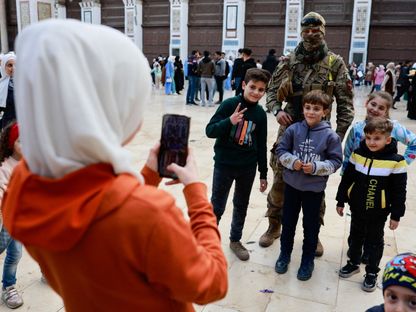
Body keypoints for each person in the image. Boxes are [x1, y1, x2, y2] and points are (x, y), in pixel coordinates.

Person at [2, 20, 228, 311]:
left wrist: (147, 174)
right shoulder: (147, 214)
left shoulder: (21, 185)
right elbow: (212, 284)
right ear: (108, 108)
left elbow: (103, 229)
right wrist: (196, 192)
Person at [261, 11, 354, 254]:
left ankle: (313, 233)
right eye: (307, 31)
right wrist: (276, 110)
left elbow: (345, 103)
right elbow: (271, 91)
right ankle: (274, 226)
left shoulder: (335, 63)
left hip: (321, 135)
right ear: (301, 32)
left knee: (315, 184)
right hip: (289, 133)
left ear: (323, 32)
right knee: (280, 180)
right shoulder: (289, 60)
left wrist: (338, 137)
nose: (311, 35)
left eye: (316, 31)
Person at [341, 91, 416, 264]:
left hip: (382, 181)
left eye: (381, 108)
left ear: (387, 111)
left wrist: (402, 164)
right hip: (359, 179)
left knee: (375, 218)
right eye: (373, 104)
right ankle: (355, 244)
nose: (375, 109)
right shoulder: (358, 128)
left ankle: (369, 248)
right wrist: (346, 175)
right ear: (367, 103)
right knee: (357, 213)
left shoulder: (393, 128)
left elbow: (414, 142)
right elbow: (348, 151)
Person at [274, 90, 342, 281]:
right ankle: (284, 255)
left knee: (311, 227)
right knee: (287, 223)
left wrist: (316, 167)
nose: (311, 112)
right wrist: (291, 161)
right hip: (292, 186)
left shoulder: (331, 136)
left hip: (314, 190)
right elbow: (281, 150)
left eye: (316, 109)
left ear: (325, 112)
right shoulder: (293, 129)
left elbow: (335, 162)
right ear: (303, 108)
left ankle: (307, 260)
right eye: (308, 108)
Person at [205, 68, 271, 261]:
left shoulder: (260, 114)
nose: (256, 92)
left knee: (241, 205)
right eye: (252, 87)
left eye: (261, 89)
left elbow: (262, 145)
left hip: (247, 168)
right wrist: (230, 121)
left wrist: (263, 173)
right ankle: (207, 242)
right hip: (224, 165)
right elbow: (210, 130)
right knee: (217, 206)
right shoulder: (229, 105)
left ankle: (235, 240)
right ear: (243, 85)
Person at [336, 118, 407, 292]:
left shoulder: (396, 162)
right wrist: (341, 199)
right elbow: (347, 179)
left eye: (377, 138)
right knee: (355, 236)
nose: (372, 142)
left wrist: (396, 215)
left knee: (375, 242)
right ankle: (353, 263)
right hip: (357, 206)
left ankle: (372, 272)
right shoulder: (358, 154)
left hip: (379, 211)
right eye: (368, 138)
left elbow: (399, 191)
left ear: (387, 140)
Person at [0, 121, 23, 309]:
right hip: (9, 218)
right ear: (11, 143)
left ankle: (9, 285)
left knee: (15, 254)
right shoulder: (6, 167)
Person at [0, 53, 16, 130]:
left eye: (15, 65)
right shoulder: (1, 86)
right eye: (9, 65)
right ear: (4, 66)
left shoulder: (23, 83)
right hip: (8, 125)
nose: (13, 68)